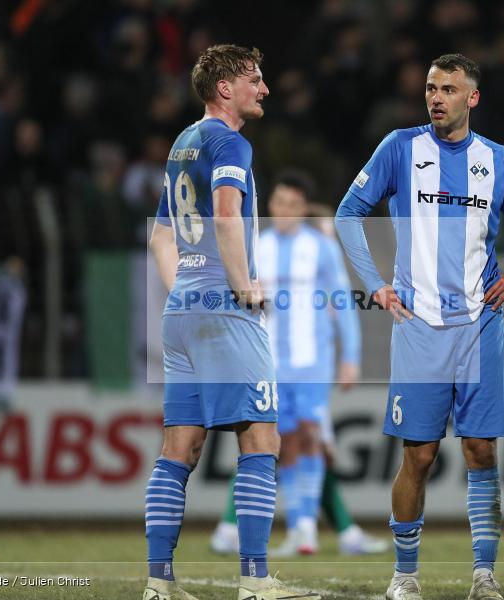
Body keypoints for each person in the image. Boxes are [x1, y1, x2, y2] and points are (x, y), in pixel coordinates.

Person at [335, 54, 504, 600]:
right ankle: (405, 576)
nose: (436, 97)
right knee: (420, 455)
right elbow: (347, 213)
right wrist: (375, 283)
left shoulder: (497, 160)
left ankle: (484, 575)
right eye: (431, 87)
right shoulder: (399, 148)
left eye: (449, 89)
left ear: (472, 98)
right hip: (420, 327)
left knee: (480, 450)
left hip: (480, 325)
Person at [143, 44, 318, 600]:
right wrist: (242, 286)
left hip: (181, 313)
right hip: (224, 311)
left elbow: (160, 237)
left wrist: (186, 288)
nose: (264, 89)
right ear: (226, 88)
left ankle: (159, 584)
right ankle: (256, 581)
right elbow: (225, 215)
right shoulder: (230, 142)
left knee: (179, 450)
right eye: (255, 79)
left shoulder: (182, 143)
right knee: (262, 441)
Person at [209, 170, 388, 557]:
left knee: (311, 437)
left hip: (313, 363)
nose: (284, 211)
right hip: (268, 363)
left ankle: (304, 529)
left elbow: (343, 302)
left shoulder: (321, 247)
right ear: (270, 205)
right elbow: (236, 303)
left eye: (293, 204)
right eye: (279, 203)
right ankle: (302, 529)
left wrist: (350, 357)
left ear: (304, 208)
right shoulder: (256, 247)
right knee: (281, 442)